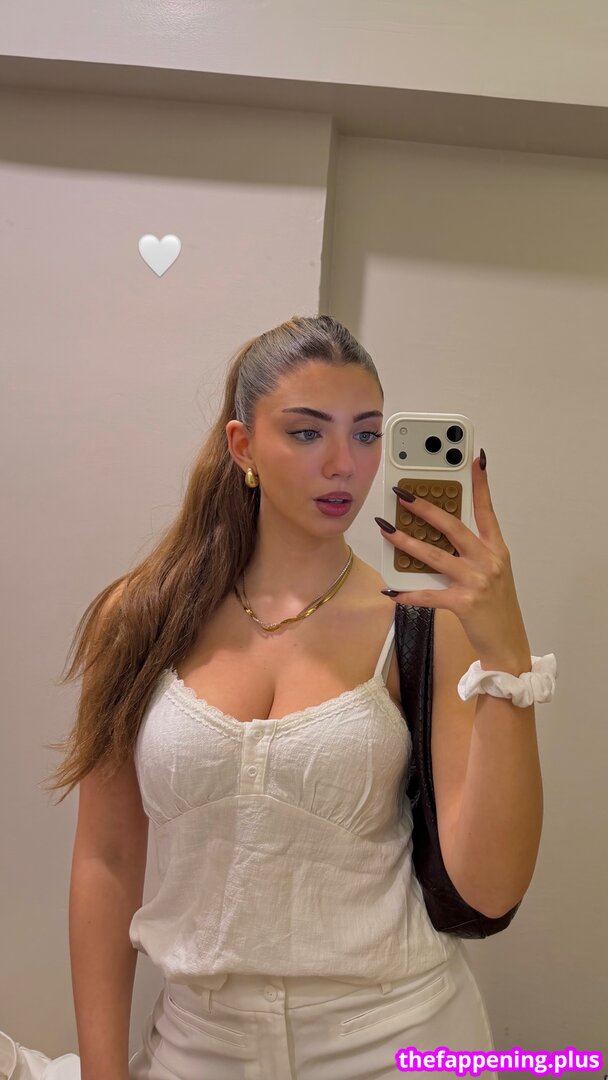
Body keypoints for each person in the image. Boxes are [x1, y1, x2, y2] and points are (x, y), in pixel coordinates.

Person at [45, 315, 505, 1079]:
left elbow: (489, 889)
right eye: (306, 432)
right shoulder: (141, 619)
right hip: (198, 1045)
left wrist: (506, 653)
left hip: (397, 1037)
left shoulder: (418, 623)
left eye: (366, 435)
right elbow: (107, 856)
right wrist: (101, 1070)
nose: (344, 464)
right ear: (243, 446)